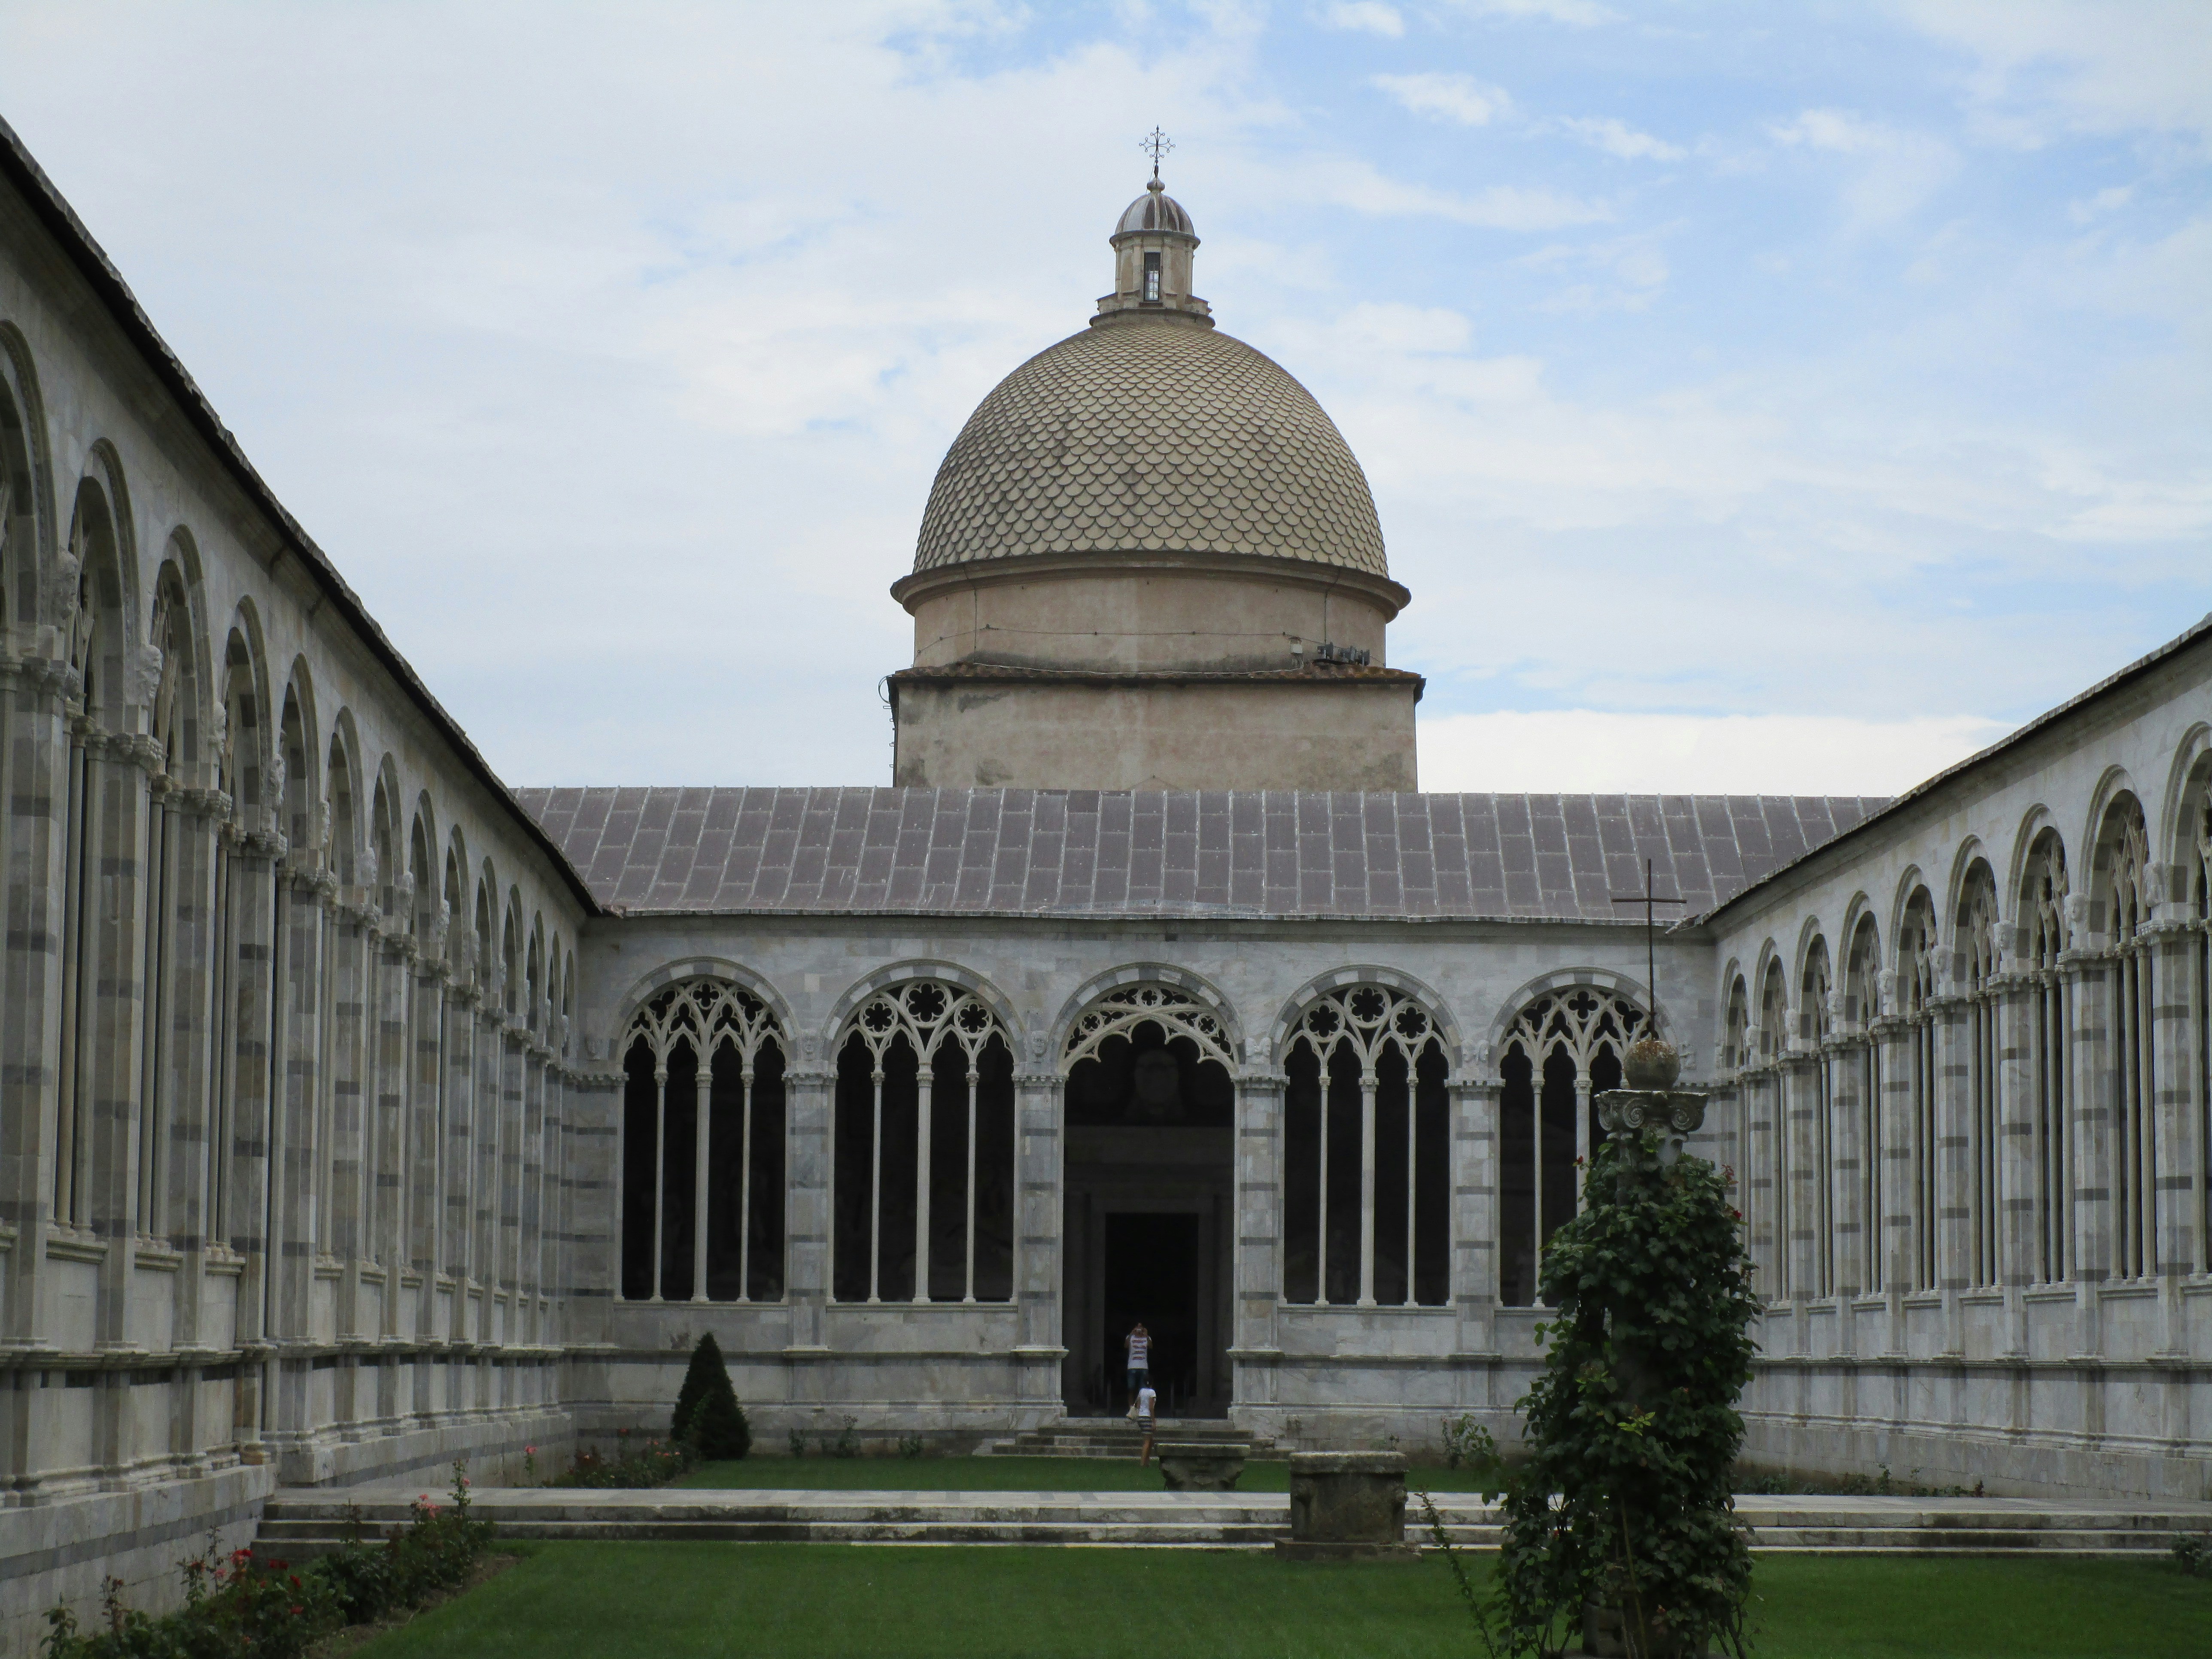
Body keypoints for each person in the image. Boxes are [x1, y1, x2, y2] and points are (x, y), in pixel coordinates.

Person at [1124, 1322, 1151, 1417]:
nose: (1140, 1329)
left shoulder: (1146, 1338)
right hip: (1132, 1367)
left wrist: (1146, 1335)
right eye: (1138, 1327)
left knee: (1143, 1390)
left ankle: (1140, 1409)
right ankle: (1131, 1409)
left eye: (1141, 1327)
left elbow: (1151, 1346)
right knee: (1131, 1389)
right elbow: (1126, 1346)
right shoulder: (1130, 1337)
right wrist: (1132, 1334)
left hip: (1144, 1367)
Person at [1136, 1381, 1158, 1466]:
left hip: (1141, 1417)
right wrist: (1154, 1422)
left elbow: (1138, 1404)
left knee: (1151, 1440)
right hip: (1147, 1417)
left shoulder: (1141, 1391)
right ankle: (1143, 1463)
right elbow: (1151, 1407)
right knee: (1147, 1441)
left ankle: (1147, 1461)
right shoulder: (1152, 1393)